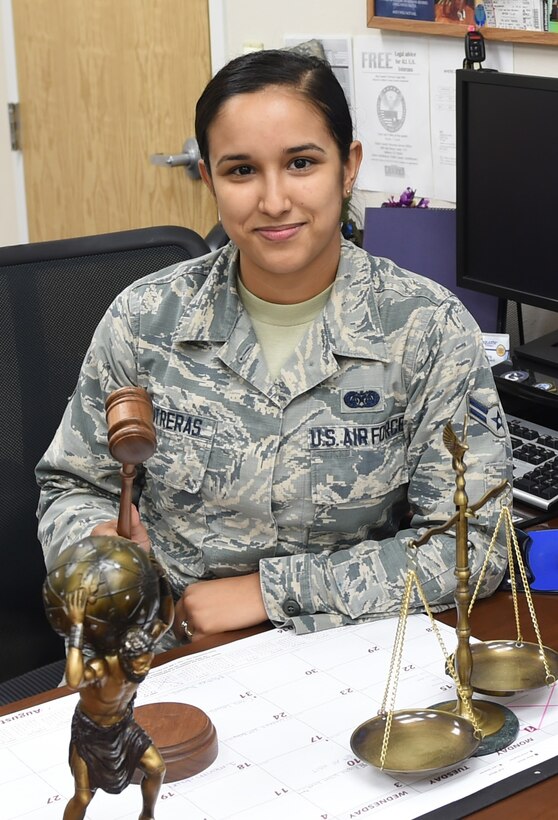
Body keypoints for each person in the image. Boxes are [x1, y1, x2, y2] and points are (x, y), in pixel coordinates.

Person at [36, 48, 512, 645]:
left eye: (301, 163)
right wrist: (95, 542)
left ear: (348, 166)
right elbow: (71, 485)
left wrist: (270, 591)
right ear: (208, 179)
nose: (274, 200)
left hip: (350, 649)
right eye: (241, 171)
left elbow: (475, 545)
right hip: (168, 646)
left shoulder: (427, 330)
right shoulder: (145, 319)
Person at [62, 586, 168, 820]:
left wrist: (160, 579)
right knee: (83, 797)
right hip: (91, 734)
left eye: (148, 662)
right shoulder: (103, 667)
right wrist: (76, 626)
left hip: (124, 727)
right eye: (140, 665)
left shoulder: (142, 649)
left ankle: (147, 816)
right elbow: (73, 680)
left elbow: (165, 621)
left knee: (157, 768)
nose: (145, 669)